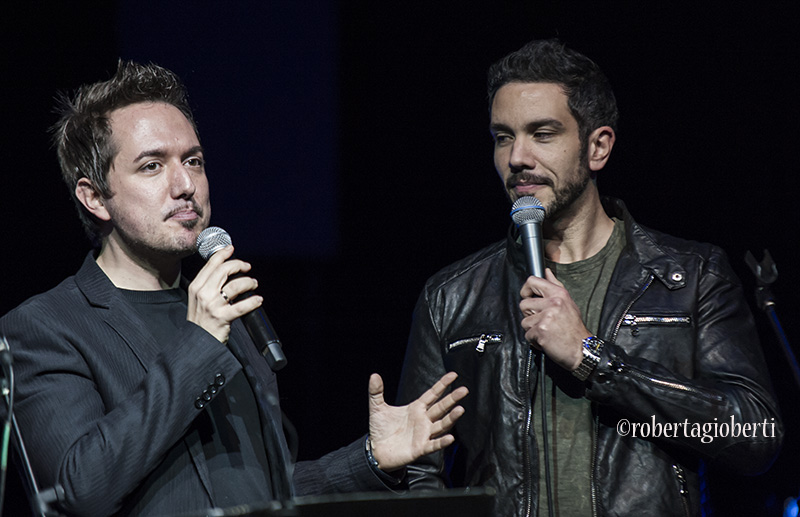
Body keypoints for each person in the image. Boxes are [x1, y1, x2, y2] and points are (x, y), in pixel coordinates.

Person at [0, 61, 468, 517]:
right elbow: (83, 490)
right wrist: (198, 344)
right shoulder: (45, 328)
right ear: (94, 197)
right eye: (151, 166)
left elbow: (263, 492)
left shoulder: (230, 316)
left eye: (194, 161)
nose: (185, 185)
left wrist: (369, 459)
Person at [396, 39, 783, 517]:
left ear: (597, 147)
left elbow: (753, 434)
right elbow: (419, 473)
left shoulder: (690, 277)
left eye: (542, 133)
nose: (517, 157)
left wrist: (592, 358)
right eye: (502, 136)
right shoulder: (451, 296)